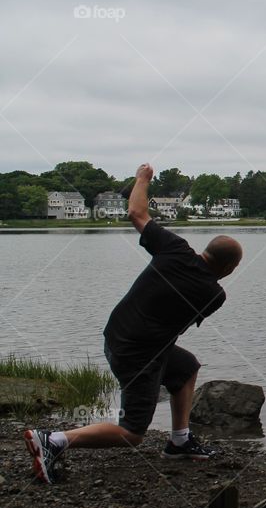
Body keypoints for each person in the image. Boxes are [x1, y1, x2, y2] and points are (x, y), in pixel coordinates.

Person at [24, 163, 243, 483]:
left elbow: (137, 213)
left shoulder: (175, 249)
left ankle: (179, 440)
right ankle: (54, 441)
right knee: (132, 432)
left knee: (185, 367)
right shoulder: (214, 294)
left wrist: (142, 179)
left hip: (118, 334)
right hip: (139, 354)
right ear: (228, 267)